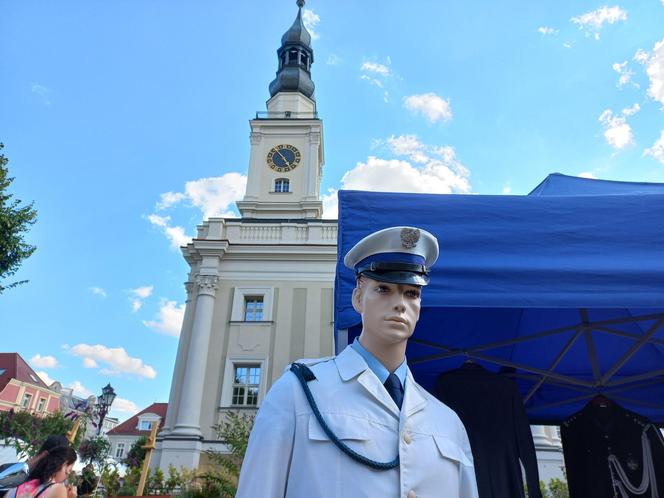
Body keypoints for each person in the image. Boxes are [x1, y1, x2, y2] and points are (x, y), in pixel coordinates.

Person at [236, 226, 479, 498]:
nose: (400, 303)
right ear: (358, 298)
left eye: (412, 293)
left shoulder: (447, 422)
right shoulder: (298, 393)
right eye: (384, 289)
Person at [5, 446, 77, 498]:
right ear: (64, 465)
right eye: (69, 470)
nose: (67, 476)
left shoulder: (23, 485)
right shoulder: (59, 489)